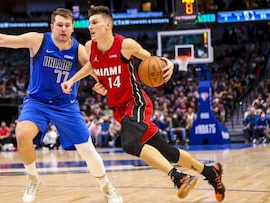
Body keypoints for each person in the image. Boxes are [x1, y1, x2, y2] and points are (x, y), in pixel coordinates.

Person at [0, 8, 122, 203]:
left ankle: (106, 186)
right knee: (22, 134)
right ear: (52, 26)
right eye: (59, 25)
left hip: (65, 105)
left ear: (72, 28)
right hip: (37, 102)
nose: (63, 29)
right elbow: (2, 40)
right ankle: (33, 178)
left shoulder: (79, 50)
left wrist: (103, 85)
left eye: (67, 25)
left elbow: (96, 71)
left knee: (87, 150)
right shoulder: (38, 40)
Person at [61, 5, 225, 201]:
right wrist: (78, 81)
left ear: (107, 25)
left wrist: (169, 62)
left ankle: (179, 177)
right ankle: (210, 173)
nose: (90, 27)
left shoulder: (125, 45)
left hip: (136, 103)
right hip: (120, 109)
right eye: (89, 24)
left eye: (94, 22)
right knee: (168, 152)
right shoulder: (90, 47)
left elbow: (153, 60)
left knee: (130, 143)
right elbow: (92, 65)